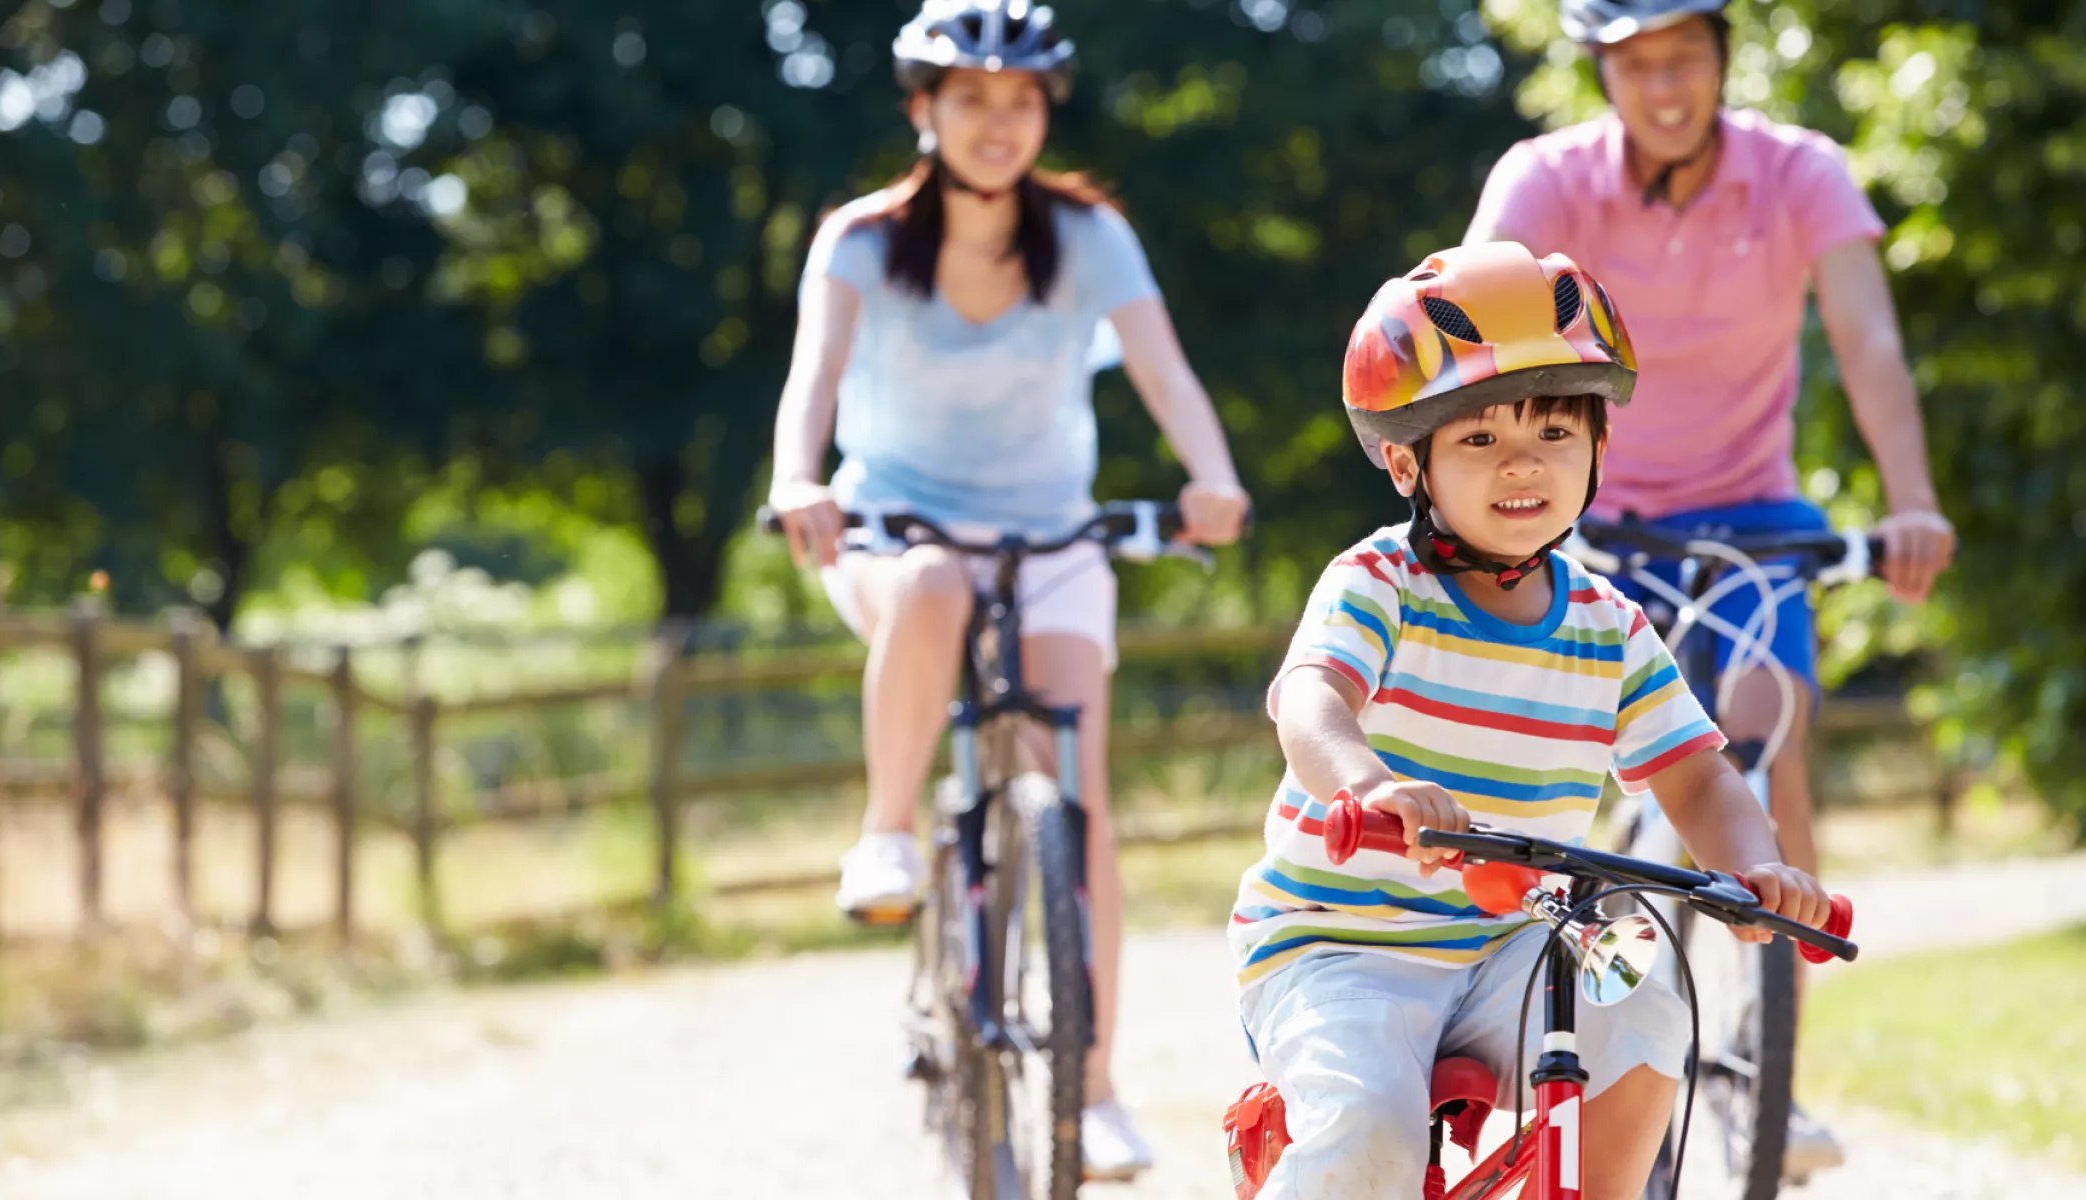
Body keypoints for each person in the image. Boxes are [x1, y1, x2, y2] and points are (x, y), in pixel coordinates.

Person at [1228, 242, 1835, 1200]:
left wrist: (1759, 868)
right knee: (1369, 1131)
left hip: (1519, 937)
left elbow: (1696, 777)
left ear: (1598, 450)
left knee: (1647, 1013)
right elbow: (1311, 701)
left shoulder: (1609, 624)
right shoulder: (1378, 582)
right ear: (1406, 462)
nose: (1522, 462)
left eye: (1555, 430)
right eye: (1478, 440)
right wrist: (1371, 786)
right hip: (1339, 946)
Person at [1464, 0, 1957, 1171]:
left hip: (1752, 519)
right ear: (1601, 73)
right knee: (1552, 754)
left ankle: (1759, 1064)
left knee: (1762, 726)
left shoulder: (1799, 174)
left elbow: (1867, 340)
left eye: (1684, 56)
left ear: (1723, 58)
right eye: (1635, 64)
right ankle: (1539, 1027)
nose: (1664, 85)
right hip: (1590, 517)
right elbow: (1465, 319)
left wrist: (1910, 500)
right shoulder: (1547, 180)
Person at [765, 0, 1248, 1180]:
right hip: (894, 529)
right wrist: (797, 481)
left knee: (1074, 795)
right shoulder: (860, 241)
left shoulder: (1088, 236)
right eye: (970, 98)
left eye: (1020, 100)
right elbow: (812, 378)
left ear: (1045, 114)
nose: (998, 122)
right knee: (932, 586)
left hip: (1050, 534)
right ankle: (887, 834)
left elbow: (1165, 372)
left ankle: (1096, 1085)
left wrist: (1212, 477)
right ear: (922, 110)